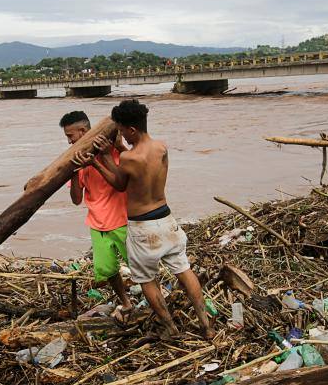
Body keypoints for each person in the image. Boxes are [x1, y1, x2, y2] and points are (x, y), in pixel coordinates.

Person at [72, 100, 215, 339]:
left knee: (147, 280)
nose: (121, 136)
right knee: (184, 270)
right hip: (167, 219)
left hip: (143, 227)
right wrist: (118, 149)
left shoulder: (129, 158)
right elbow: (140, 174)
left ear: (131, 130)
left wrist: (100, 158)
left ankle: (169, 327)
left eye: (121, 130)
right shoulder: (161, 148)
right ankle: (206, 324)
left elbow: (119, 183)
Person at [60, 111, 133, 321]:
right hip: (97, 223)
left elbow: (126, 180)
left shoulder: (111, 150)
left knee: (140, 267)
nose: (69, 141)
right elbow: (76, 199)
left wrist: (110, 152)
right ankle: (126, 302)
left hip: (123, 220)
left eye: (70, 135)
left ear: (83, 131)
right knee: (108, 270)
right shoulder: (79, 159)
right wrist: (73, 172)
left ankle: (154, 300)